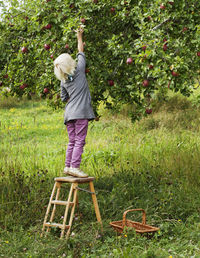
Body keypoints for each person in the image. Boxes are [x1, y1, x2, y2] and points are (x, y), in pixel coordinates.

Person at [53, 26, 95, 178]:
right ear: (70, 63)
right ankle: (75, 167)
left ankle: (67, 166)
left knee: (72, 141)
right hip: (81, 113)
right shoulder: (80, 69)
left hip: (69, 114)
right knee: (79, 141)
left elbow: (64, 98)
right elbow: (80, 51)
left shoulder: (63, 81)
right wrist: (79, 36)